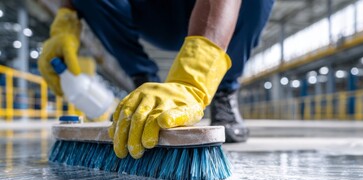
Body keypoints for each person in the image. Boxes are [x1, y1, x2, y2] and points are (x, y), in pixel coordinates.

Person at [38, 0, 274, 159]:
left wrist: (191, 79)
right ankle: (143, 87)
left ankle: (224, 90)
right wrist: (66, 20)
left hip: (221, 12)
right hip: (153, 12)